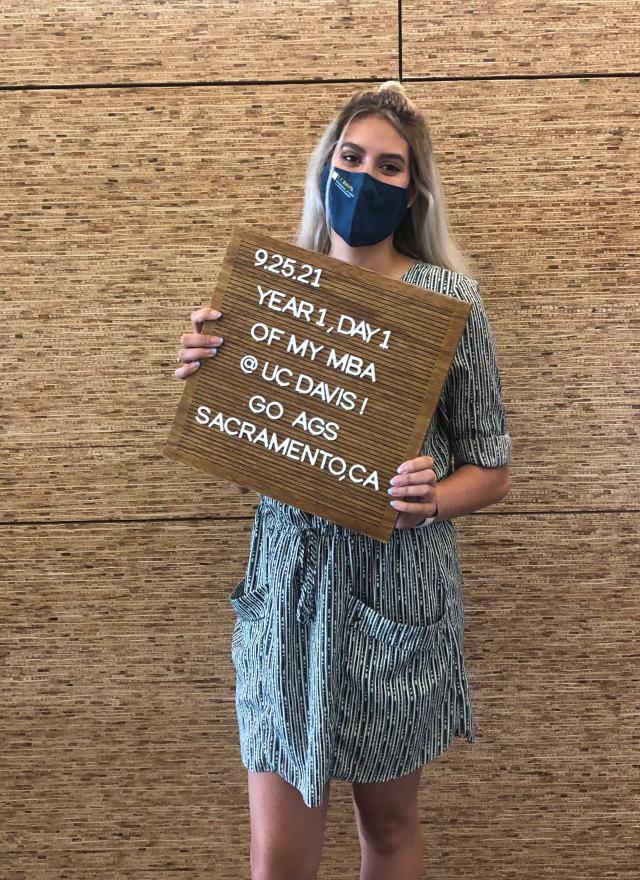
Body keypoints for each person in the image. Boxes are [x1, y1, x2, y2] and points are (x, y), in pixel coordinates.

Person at [174, 81, 512, 880]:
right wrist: (207, 385)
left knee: (390, 832)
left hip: (398, 590)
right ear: (324, 167)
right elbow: (245, 454)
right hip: (288, 591)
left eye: (388, 165)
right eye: (351, 157)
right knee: (278, 855)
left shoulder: (448, 301)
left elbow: (491, 469)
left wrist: (434, 501)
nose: (364, 176)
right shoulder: (268, 295)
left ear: (413, 189)